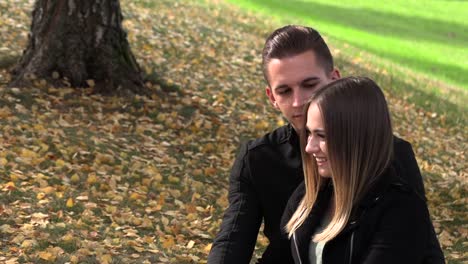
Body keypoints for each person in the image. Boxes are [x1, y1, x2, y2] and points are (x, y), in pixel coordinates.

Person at [207, 25, 444, 263]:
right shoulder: (258, 159)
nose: (299, 101)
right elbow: (232, 242)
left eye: (309, 85)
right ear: (272, 98)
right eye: (285, 91)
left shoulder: (390, 155)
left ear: (334, 81)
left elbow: (423, 247)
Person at [281, 76, 444, 263]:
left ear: (357, 140)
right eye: (309, 133)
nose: (310, 147)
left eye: (322, 136)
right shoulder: (307, 196)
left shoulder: (400, 211)